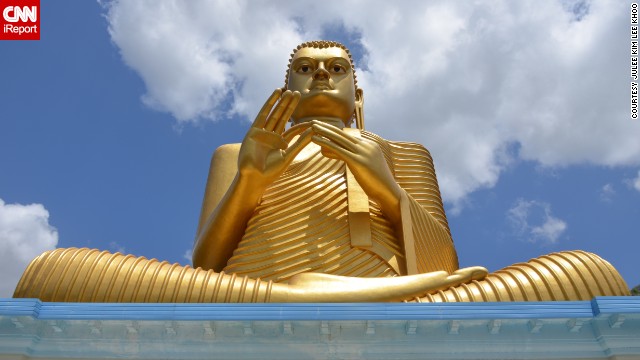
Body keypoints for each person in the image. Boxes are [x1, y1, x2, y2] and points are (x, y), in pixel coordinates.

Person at [13, 41, 629, 303]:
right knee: (51, 272)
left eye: (335, 68)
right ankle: (292, 299)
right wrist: (250, 180)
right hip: (251, 298)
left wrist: (388, 187)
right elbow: (205, 270)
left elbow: (441, 268)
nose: (321, 76)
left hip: (409, 299)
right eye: (306, 68)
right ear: (286, 84)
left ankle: (329, 301)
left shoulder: (404, 151)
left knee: (589, 273)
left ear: (358, 91)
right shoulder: (240, 152)